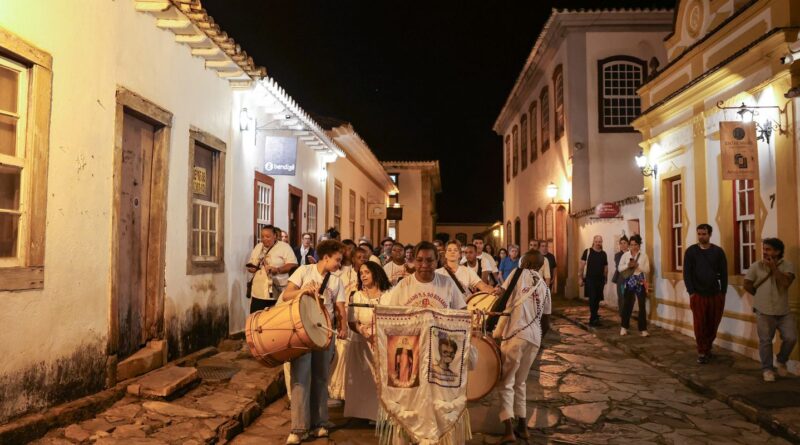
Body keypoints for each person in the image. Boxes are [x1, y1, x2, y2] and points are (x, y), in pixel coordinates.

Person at [282, 240, 347, 444]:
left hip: (325, 333)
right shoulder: (304, 271)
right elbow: (286, 295)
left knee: (320, 378)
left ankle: (320, 423)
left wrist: (343, 326)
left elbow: (340, 307)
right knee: (300, 377)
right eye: (337, 260)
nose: (339, 264)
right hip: (301, 331)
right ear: (326, 257)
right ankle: (298, 428)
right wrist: (303, 291)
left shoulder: (336, 280)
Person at [496, 250, 551, 444]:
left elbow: (502, 296)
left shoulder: (518, 273)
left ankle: (508, 429)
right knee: (521, 382)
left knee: (506, 381)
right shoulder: (544, 286)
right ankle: (523, 426)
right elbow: (546, 321)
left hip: (516, 334)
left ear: (525, 262)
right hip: (534, 338)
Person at [744, 238, 797, 382]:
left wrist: (774, 268)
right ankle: (767, 369)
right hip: (763, 310)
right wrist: (760, 296)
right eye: (764, 249)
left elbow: (785, 283)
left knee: (791, 337)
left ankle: (781, 359)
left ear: (778, 251)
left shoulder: (788, 266)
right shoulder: (756, 266)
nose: (765, 252)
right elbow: (747, 284)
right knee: (765, 341)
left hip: (783, 310)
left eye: (768, 249)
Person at [345, 261, 391, 421]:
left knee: (381, 380)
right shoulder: (356, 296)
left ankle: (380, 414)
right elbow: (351, 321)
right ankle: (363, 413)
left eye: (367, 272)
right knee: (364, 381)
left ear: (376, 273)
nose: (363, 276)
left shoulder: (389, 295)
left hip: (382, 343)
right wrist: (361, 330)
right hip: (361, 344)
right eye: (361, 273)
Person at [683, 224, 728, 364]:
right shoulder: (691, 252)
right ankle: (702, 351)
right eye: (699, 234)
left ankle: (708, 348)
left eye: (704, 234)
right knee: (700, 323)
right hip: (698, 294)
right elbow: (687, 273)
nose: (701, 236)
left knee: (713, 323)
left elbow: (724, 273)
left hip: (715, 293)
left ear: (710, 234)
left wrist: (723, 292)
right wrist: (691, 292)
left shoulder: (718, 252)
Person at [382, 241, 467, 310]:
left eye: (429, 260)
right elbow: (391, 314)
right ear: (414, 261)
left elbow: (462, 311)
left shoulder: (448, 283)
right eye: (419, 260)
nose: (425, 265)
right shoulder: (402, 286)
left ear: (436, 260)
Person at [247, 225, 298, 312]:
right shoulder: (258, 247)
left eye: (268, 236)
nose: (264, 239)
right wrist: (252, 269)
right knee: (256, 320)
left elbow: (293, 264)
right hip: (257, 293)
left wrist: (278, 270)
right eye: (262, 236)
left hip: (277, 293)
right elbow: (252, 263)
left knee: (273, 323)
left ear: (275, 236)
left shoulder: (284, 247)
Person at [617, 234, 650, 336]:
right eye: (631, 244)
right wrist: (628, 265)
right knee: (627, 305)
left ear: (639, 245)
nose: (633, 246)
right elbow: (619, 268)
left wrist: (638, 266)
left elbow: (647, 270)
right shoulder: (626, 255)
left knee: (641, 305)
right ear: (629, 245)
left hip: (640, 281)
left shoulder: (644, 256)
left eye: (635, 244)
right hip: (629, 281)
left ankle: (643, 329)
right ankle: (624, 327)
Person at [580, 236, 608, 327]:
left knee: (597, 299)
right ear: (593, 242)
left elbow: (605, 266)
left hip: (600, 280)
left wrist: (606, 277)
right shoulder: (587, 252)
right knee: (592, 298)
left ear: (602, 242)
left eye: (600, 241)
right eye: (596, 241)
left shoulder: (603, 254)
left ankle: (595, 315)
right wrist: (580, 278)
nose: (598, 243)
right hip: (590, 279)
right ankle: (593, 318)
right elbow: (582, 265)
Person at [611, 236, 629, 310]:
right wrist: (629, 265)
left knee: (630, 298)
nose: (622, 245)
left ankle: (627, 313)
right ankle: (622, 314)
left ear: (628, 244)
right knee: (622, 296)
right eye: (621, 243)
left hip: (630, 278)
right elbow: (619, 266)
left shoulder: (631, 254)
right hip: (621, 279)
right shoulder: (618, 255)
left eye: (624, 243)